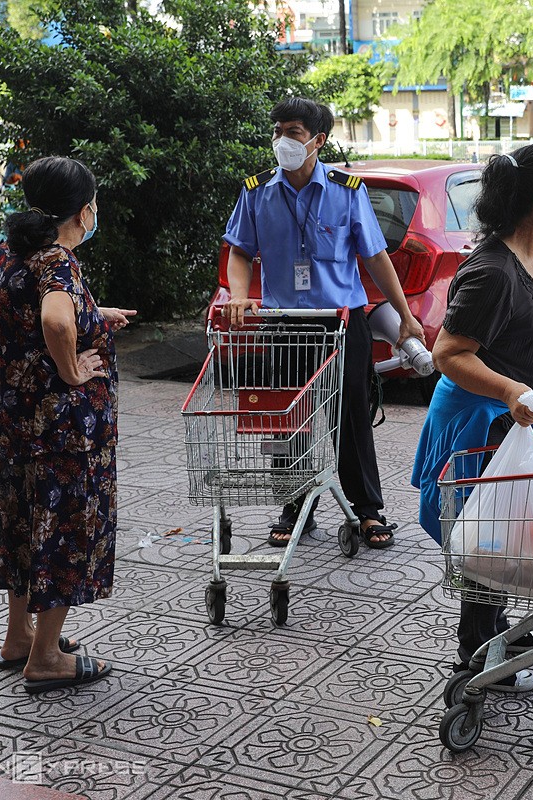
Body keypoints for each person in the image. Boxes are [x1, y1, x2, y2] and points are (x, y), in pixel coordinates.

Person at [411, 144, 533, 692]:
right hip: (479, 421)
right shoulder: (492, 271)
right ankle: (476, 659)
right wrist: (511, 391)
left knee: (503, 530)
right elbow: (450, 353)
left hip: (511, 418)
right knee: (485, 538)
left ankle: (495, 631)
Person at [222, 97, 424, 550]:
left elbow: (374, 257)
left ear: (319, 140)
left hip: (340, 322)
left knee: (351, 415)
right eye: (277, 131)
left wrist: (407, 318)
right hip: (285, 323)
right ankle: (294, 507)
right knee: (287, 419)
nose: (282, 141)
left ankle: (366, 512)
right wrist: (239, 295)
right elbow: (239, 249)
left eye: (292, 132)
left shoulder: (346, 190)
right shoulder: (257, 191)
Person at [0, 156, 136, 694]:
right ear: (81, 210)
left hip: (17, 431)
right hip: (63, 433)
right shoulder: (57, 263)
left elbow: (31, 310)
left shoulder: (6, 254)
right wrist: (72, 369)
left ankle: (18, 636)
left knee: (24, 523)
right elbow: (52, 318)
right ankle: (46, 657)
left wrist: (95, 313)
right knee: (62, 529)